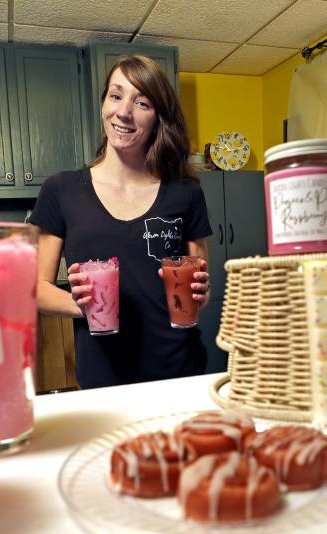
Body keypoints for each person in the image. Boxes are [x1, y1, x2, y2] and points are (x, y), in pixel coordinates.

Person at [30, 55, 212, 389]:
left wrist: (202, 291)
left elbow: (199, 285)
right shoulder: (61, 190)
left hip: (180, 372)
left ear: (159, 117)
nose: (124, 112)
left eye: (142, 102)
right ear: (104, 103)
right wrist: (80, 304)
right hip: (104, 378)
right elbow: (36, 289)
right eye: (116, 96)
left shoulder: (186, 193)